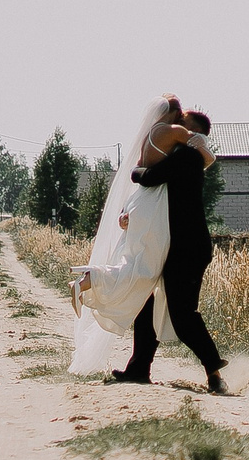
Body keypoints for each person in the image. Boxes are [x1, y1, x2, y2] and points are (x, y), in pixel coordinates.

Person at [68, 97, 198, 376]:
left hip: (142, 206)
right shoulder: (169, 132)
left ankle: (139, 367)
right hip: (153, 212)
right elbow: (198, 144)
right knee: (143, 272)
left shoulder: (151, 138)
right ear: (174, 114)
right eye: (181, 115)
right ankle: (92, 279)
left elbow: (139, 173)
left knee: (144, 285)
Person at [116, 106, 226, 393]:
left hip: (188, 248)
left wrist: (137, 170)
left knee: (182, 313)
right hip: (175, 244)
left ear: (194, 133)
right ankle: (139, 368)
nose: (178, 126)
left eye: (183, 124)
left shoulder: (187, 156)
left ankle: (214, 370)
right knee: (147, 302)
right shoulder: (184, 155)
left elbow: (148, 178)